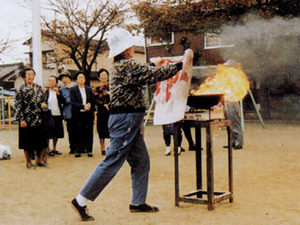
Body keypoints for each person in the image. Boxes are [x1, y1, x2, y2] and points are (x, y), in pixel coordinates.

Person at [70, 28, 183, 221]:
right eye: (130, 45)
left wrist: (161, 65)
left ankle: (138, 202)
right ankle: (80, 200)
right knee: (112, 161)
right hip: (126, 119)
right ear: (125, 49)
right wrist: (181, 64)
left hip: (128, 119)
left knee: (141, 161)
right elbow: (156, 74)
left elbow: (148, 71)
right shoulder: (126, 66)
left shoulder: (121, 66)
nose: (132, 48)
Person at [15, 67, 48, 169]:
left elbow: (45, 101)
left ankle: (40, 160)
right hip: (26, 119)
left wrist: (44, 105)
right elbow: (17, 106)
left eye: (32, 74)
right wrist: (21, 119)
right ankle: (28, 162)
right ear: (24, 77)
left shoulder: (39, 88)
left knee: (41, 141)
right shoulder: (21, 90)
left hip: (39, 118)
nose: (30, 76)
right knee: (27, 142)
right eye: (28, 74)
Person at [70, 71, 95, 158]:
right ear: (76, 80)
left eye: (83, 77)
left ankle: (89, 150)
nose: (81, 79)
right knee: (78, 132)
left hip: (88, 113)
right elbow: (72, 102)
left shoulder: (88, 89)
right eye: (79, 77)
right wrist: (82, 106)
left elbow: (92, 99)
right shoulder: (73, 90)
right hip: (78, 113)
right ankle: (78, 150)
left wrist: (89, 105)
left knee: (88, 132)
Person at [223, 59, 244, 150]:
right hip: (227, 101)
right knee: (228, 123)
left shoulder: (236, 77)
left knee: (234, 122)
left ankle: (239, 142)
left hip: (233, 101)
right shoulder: (227, 77)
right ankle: (231, 141)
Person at [59, 70, 78, 154]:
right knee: (70, 131)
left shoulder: (76, 86)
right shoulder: (61, 89)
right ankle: (72, 147)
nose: (64, 80)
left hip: (77, 111)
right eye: (62, 78)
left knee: (79, 130)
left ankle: (80, 147)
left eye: (66, 77)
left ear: (69, 78)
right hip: (68, 112)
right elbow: (62, 100)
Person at [45, 76, 64, 156]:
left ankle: (54, 148)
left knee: (57, 132)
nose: (51, 82)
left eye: (53, 81)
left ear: (56, 83)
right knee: (48, 132)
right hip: (49, 114)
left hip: (58, 114)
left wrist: (58, 94)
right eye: (50, 81)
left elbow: (63, 101)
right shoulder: (46, 92)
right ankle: (47, 148)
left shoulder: (59, 91)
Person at [93, 68, 110, 156]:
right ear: (99, 77)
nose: (104, 77)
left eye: (105, 75)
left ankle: (111, 146)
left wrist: (109, 104)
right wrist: (103, 104)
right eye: (102, 75)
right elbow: (95, 99)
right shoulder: (96, 88)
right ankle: (102, 147)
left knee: (111, 127)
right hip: (101, 110)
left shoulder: (112, 86)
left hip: (110, 110)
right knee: (101, 129)